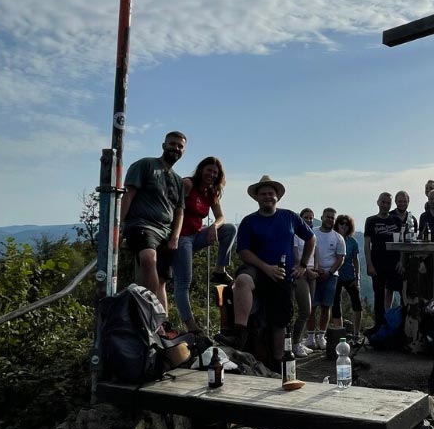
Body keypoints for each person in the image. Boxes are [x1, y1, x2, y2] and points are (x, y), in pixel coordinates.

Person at [218, 175, 314, 372]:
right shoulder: (249, 221)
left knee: (281, 321)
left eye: (271, 193)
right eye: (263, 194)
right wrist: (266, 267)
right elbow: (243, 251)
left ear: (277, 196)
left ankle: (278, 362)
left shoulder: (290, 217)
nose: (267, 197)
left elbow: (311, 238)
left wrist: (303, 265)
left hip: (283, 274)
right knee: (242, 280)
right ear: (257, 197)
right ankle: (239, 334)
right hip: (257, 269)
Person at [120, 131, 187, 312]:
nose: (176, 148)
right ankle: (148, 313)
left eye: (180, 146)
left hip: (166, 232)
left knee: (162, 280)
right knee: (148, 258)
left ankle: (161, 323)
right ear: (164, 145)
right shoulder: (145, 165)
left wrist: (175, 237)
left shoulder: (178, 180)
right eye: (172, 144)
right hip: (142, 224)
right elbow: (129, 194)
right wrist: (118, 227)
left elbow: (179, 211)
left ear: (183, 151)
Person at [172, 156, 236, 334]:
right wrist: (172, 237)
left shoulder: (211, 192)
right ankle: (191, 326)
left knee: (230, 229)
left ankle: (220, 270)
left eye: (215, 173)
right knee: (183, 282)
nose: (212, 175)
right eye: (209, 170)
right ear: (201, 170)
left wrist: (214, 226)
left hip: (197, 235)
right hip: (181, 237)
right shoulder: (188, 184)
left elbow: (221, 217)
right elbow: (174, 209)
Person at [308, 207, 346, 349]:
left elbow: (340, 258)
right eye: (327, 217)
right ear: (322, 217)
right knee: (311, 307)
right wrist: (315, 269)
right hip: (312, 274)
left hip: (331, 276)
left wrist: (329, 272)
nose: (330, 220)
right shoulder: (312, 233)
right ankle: (310, 337)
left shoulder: (338, 238)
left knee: (326, 307)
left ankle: (321, 336)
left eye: (332, 218)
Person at [364, 192, 403, 323]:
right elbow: (367, 244)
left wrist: (401, 261)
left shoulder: (396, 220)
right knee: (379, 296)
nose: (385, 205)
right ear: (378, 202)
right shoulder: (371, 220)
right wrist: (369, 265)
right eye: (383, 202)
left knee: (403, 293)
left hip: (394, 264)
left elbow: (401, 242)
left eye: (388, 203)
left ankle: (402, 323)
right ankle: (379, 325)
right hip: (377, 263)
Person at [291, 207, 319, 358]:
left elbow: (316, 253)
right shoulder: (296, 235)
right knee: (305, 310)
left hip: (312, 274)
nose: (308, 220)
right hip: (300, 274)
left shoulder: (312, 235)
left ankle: (299, 342)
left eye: (311, 218)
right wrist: (307, 270)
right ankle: (295, 344)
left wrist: (316, 269)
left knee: (309, 311)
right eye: (306, 217)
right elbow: (296, 257)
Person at [331, 214, 363, 340]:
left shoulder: (353, 242)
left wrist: (357, 277)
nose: (344, 226)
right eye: (341, 223)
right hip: (336, 276)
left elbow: (356, 260)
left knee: (357, 304)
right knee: (336, 305)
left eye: (347, 224)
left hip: (350, 276)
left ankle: (356, 333)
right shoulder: (333, 239)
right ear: (337, 225)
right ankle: (339, 334)